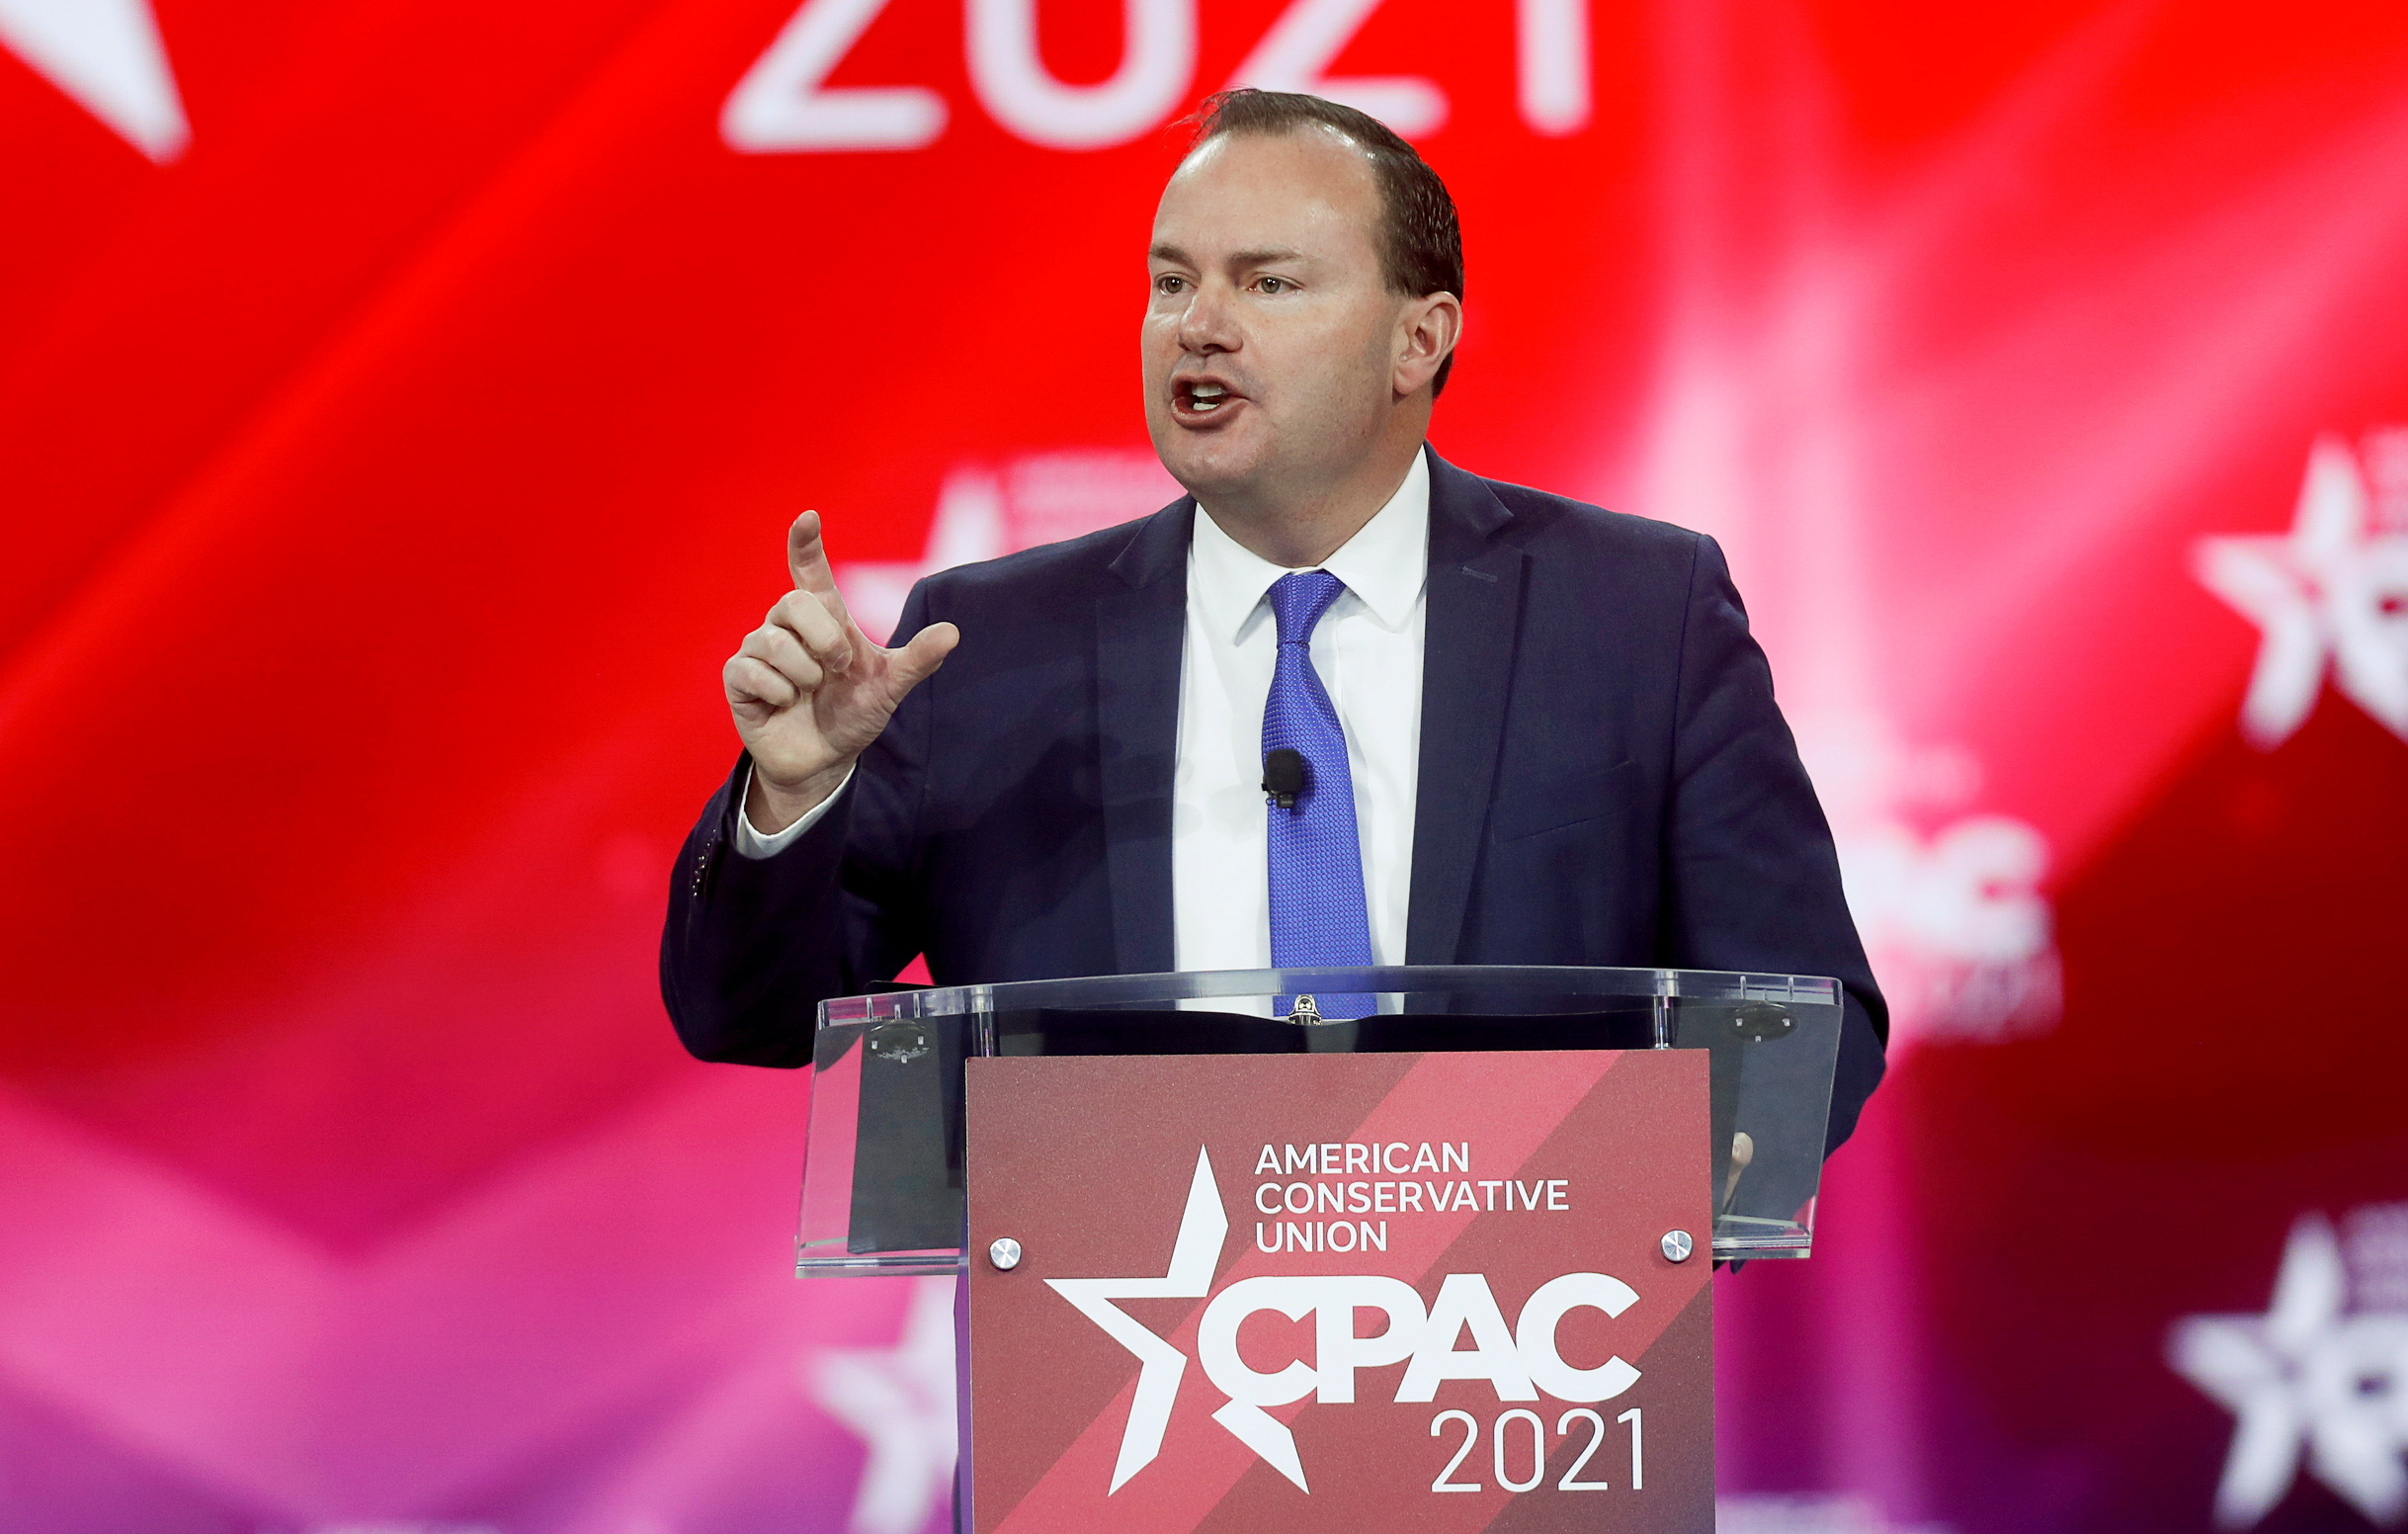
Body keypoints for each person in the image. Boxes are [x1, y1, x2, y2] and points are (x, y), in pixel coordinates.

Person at [661, 89, 1885, 1150]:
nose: (1199, 324)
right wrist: (791, 802)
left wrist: (1658, 1193)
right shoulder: (982, 648)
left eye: (1268, 281)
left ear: (1420, 338)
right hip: (1115, 1391)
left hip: (1521, 1374)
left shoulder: (1635, 615)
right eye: (1171, 280)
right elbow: (752, 1017)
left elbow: (1803, 1010)